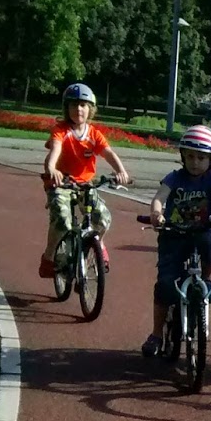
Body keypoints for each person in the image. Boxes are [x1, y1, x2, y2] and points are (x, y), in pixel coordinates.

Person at [142, 125, 211, 358]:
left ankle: (205, 280)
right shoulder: (174, 178)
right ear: (183, 156)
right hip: (173, 234)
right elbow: (159, 197)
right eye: (190, 156)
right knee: (165, 284)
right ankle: (156, 334)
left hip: (200, 231)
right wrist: (156, 213)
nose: (195, 162)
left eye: (201, 158)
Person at [39, 83, 131, 278]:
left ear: (90, 109)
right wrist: (52, 169)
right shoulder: (61, 130)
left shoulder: (94, 134)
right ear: (66, 108)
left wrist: (121, 172)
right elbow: (55, 150)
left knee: (103, 219)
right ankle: (49, 257)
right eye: (73, 105)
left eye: (83, 105)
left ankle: (98, 244)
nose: (78, 109)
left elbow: (108, 153)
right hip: (62, 183)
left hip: (86, 185)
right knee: (62, 222)